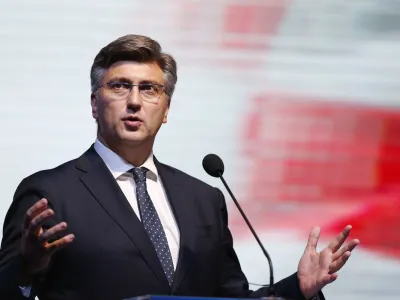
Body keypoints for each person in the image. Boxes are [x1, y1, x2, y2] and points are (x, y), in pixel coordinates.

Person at [0, 34, 359, 300]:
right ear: (95, 104)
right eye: (120, 86)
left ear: (167, 109)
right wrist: (28, 267)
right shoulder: (49, 193)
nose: (135, 101)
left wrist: (300, 288)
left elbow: (229, 297)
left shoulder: (203, 199)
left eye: (150, 89)